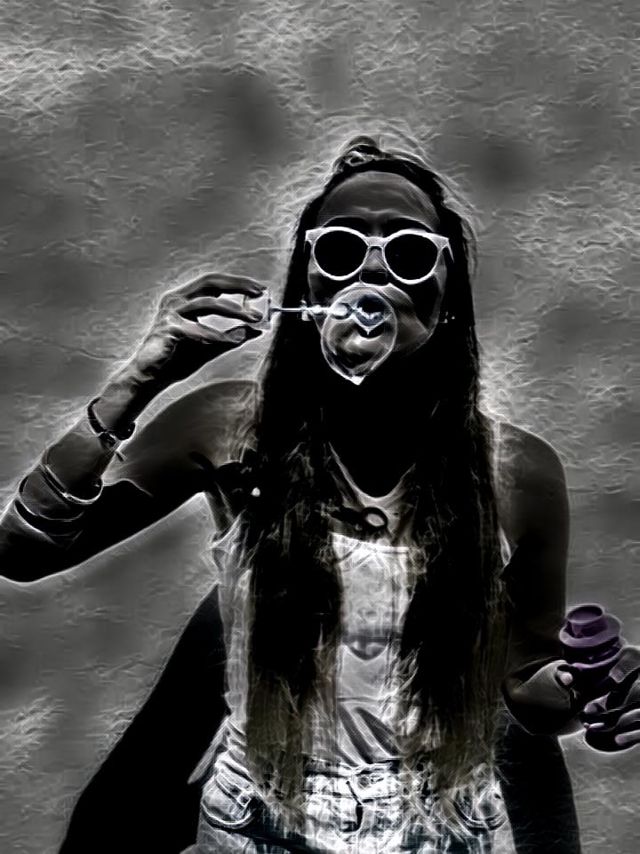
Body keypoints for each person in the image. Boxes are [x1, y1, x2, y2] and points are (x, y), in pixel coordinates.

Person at [1, 136, 638, 853]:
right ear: (308, 288)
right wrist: (140, 378)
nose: (371, 267)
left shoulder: (517, 472)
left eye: (407, 251)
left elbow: (528, 691)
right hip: (262, 821)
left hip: (445, 828)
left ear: (449, 297)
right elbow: (23, 553)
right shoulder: (231, 429)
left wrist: (596, 690)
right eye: (339, 249)